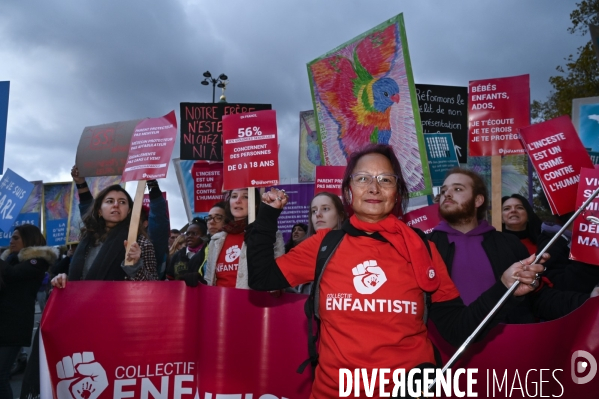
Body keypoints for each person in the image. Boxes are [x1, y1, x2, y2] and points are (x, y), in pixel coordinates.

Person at [246, 144, 545, 397]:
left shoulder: (423, 247)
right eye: (363, 178)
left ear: (397, 191)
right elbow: (262, 278)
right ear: (349, 190)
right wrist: (267, 216)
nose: (374, 188)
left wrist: (504, 289)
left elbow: (458, 329)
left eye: (386, 180)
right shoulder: (325, 245)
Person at [428, 167, 594, 323]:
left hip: (509, 346)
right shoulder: (426, 246)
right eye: (443, 191)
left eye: (457, 189)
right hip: (447, 350)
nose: (447, 194)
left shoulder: (508, 244)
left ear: (478, 200)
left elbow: (537, 297)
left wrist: (588, 302)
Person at [51, 184, 158, 287]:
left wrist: (135, 266)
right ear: (99, 211)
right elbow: (82, 277)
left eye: (122, 202)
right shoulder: (88, 239)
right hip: (81, 303)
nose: (116, 205)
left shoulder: (139, 242)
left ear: (129, 211)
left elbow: (152, 286)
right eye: (110, 201)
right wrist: (64, 279)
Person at [0, 225, 58, 399]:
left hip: (13, 326)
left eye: (16, 238)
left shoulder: (37, 261)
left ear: (28, 239)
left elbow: (12, 275)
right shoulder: (11, 259)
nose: (11, 241)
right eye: (11, 237)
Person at [204, 188, 284, 289]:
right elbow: (209, 280)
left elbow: (277, 280)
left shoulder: (270, 235)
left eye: (245, 196)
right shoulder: (216, 239)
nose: (238, 200)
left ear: (255, 204)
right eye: (234, 196)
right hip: (220, 303)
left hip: (254, 303)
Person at [166, 218, 209, 285]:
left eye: (194, 234)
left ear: (204, 236)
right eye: (187, 234)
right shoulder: (177, 256)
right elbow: (170, 278)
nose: (190, 236)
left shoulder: (208, 255)